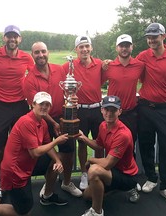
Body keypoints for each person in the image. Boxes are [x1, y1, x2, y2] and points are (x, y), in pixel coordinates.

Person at [0, 91, 69, 216]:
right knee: (24, 213)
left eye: (47, 104)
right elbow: (34, 152)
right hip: (15, 171)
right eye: (41, 104)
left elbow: (46, 145)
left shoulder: (42, 123)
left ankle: (48, 195)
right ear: (33, 104)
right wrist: (56, 141)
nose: (44, 107)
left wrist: (57, 160)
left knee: (56, 158)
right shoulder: (27, 122)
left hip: (27, 166)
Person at [0, 24, 34, 202]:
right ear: (4, 38)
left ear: (20, 39)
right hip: (0, 107)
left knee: (22, 147)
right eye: (9, 36)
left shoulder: (26, 57)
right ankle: (3, 184)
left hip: (21, 106)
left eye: (15, 36)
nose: (12, 39)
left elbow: (35, 76)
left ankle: (20, 182)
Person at [23, 41, 82, 197]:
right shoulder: (29, 80)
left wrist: (72, 98)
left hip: (64, 117)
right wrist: (54, 123)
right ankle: (48, 184)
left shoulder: (59, 69)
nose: (41, 55)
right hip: (43, 121)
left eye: (43, 51)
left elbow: (67, 91)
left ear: (48, 52)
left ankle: (67, 182)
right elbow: (39, 108)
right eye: (37, 52)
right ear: (32, 55)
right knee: (48, 155)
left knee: (68, 151)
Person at [136, 23, 166, 206]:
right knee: (146, 146)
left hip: (165, 110)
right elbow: (128, 68)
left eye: (154, 36)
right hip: (145, 108)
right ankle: (151, 177)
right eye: (148, 37)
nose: (151, 40)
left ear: (163, 36)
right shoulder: (142, 56)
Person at [78, 96, 139, 216]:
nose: (109, 113)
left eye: (113, 110)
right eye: (107, 109)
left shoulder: (123, 134)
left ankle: (97, 211)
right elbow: (99, 145)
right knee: (86, 196)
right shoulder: (103, 125)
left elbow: (107, 164)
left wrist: (90, 160)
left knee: (94, 170)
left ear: (119, 112)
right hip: (113, 170)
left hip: (127, 175)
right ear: (101, 110)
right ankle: (115, 188)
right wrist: (84, 138)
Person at [62, 35, 105, 190]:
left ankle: (98, 171)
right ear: (76, 50)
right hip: (80, 110)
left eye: (87, 46)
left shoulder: (100, 64)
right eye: (81, 47)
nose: (84, 49)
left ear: (91, 48)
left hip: (98, 109)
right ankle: (84, 173)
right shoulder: (69, 66)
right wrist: (66, 97)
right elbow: (61, 85)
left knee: (100, 143)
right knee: (82, 142)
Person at [102, 34, 145, 145]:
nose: (124, 48)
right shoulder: (108, 66)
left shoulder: (139, 65)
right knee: (111, 144)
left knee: (130, 145)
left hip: (131, 112)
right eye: (121, 46)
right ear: (117, 48)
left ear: (132, 47)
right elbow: (96, 83)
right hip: (112, 113)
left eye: (127, 45)